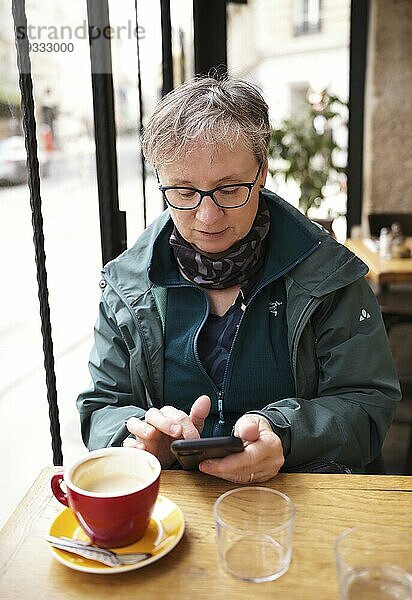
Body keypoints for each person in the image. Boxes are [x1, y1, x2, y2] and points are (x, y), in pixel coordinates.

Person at [77, 76, 400, 483]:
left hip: (303, 495)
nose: (207, 217)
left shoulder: (329, 277)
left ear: (262, 171)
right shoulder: (128, 285)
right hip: (174, 506)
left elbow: (368, 403)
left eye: (230, 190)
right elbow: (103, 404)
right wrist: (136, 437)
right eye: (183, 191)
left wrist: (286, 435)